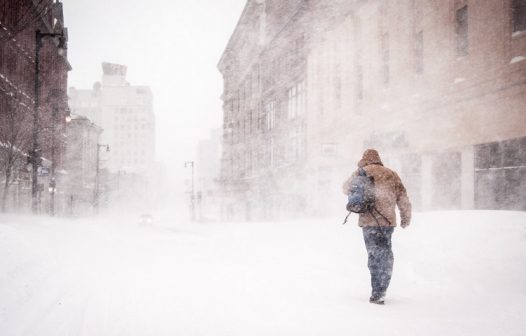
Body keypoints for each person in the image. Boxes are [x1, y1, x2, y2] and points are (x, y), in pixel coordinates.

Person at [342, 149, 411, 305]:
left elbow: (345, 188)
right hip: (387, 222)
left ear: (364, 159)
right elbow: (403, 197)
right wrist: (405, 217)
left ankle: (376, 291)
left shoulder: (360, 173)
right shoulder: (390, 174)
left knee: (373, 255)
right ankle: (382, 288)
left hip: (368, 222)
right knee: (385, 255)